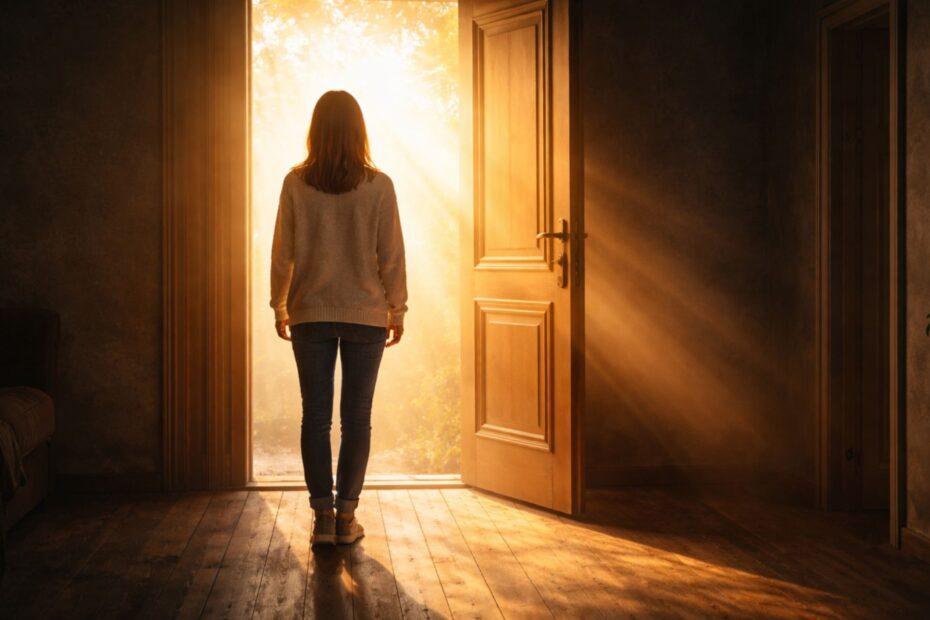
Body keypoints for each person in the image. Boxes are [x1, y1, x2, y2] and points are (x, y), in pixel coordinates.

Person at [270, 90, 407, 547]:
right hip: (366, 314)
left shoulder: (295, 183)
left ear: (316, 130)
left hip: (309, 312)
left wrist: (280, 305)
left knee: (316, 418)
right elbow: (391, 256)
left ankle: (322, 520)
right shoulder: (379, 185)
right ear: (358, 131)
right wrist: (397, 308)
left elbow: (282, 254)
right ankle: (347, 518)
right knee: (357, 418)